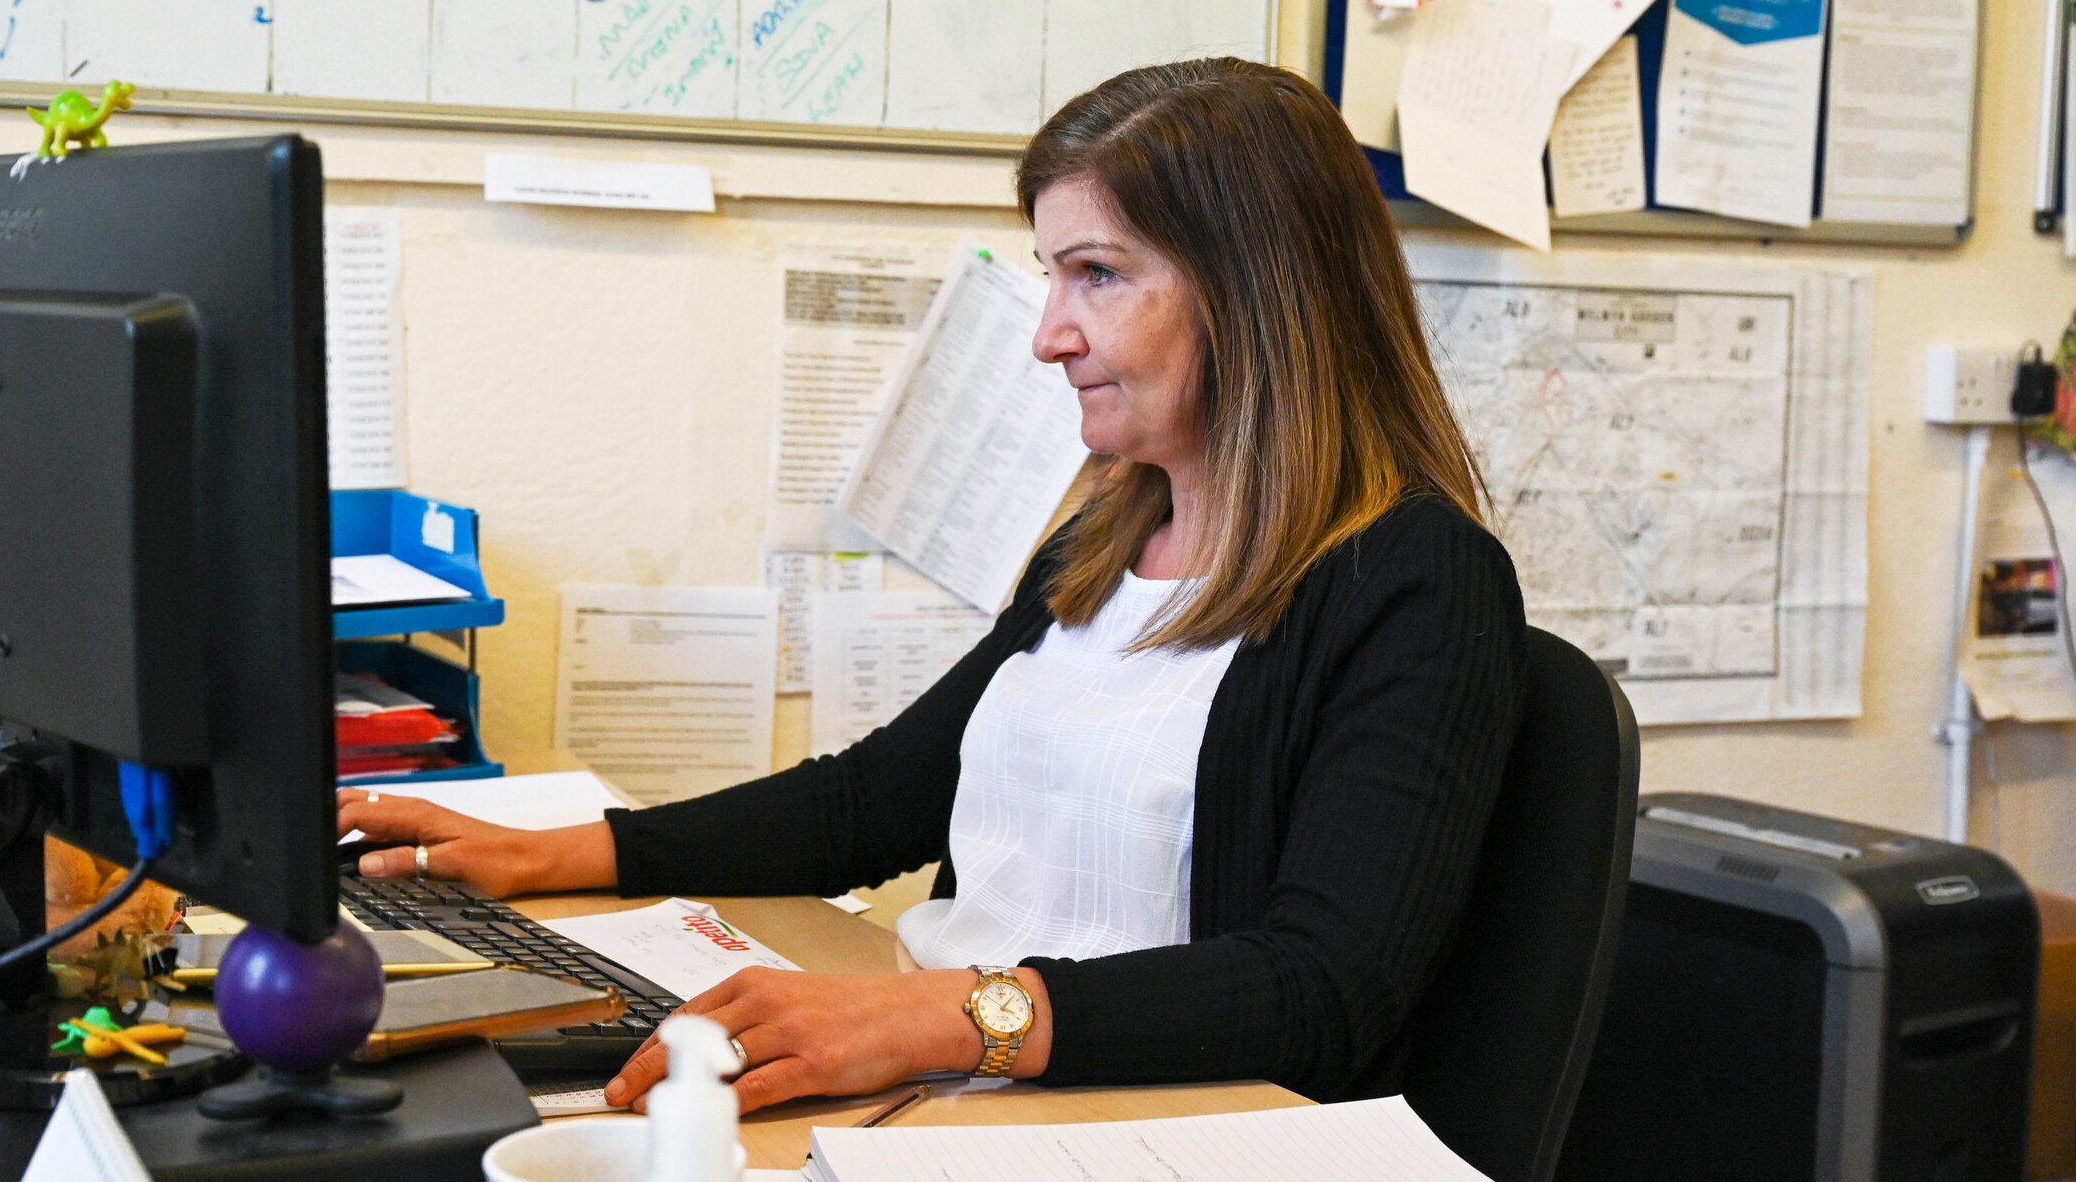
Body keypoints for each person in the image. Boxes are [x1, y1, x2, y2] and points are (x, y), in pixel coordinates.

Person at [339, 58, 1527, 1116]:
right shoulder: (1102, 543)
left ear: (1259, 294)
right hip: (967, 1083)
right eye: (1052, 277)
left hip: (1145, 1132)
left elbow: (1324, 986)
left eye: (1098, 275)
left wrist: (943, 1017)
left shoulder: (1416, 581)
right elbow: (875, 802)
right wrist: (547, 852)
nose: (1049, 334)